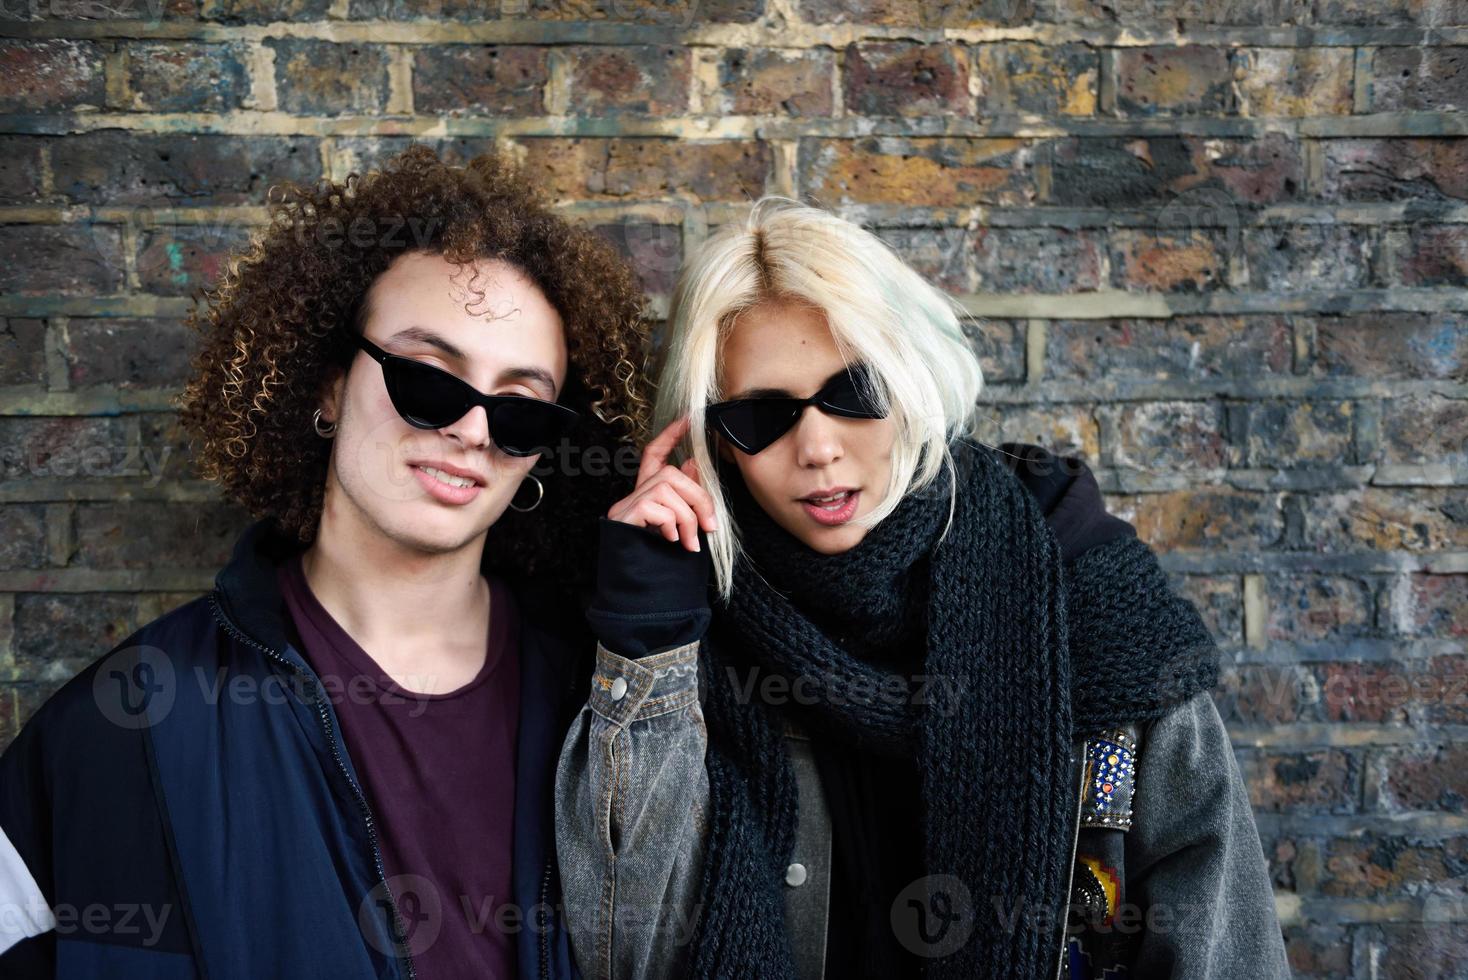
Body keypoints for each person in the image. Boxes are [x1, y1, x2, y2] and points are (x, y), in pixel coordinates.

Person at [555, 196, 1292, 979]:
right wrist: (651, 632)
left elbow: (1216, 929)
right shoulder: (676, 620)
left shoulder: (1084, 592)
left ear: (911, 379)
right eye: (760, 416)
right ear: (714, 439)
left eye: (855, 393)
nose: (816, 448)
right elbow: (623, 943)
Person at [0, 144, 650, 978]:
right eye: (427, 377)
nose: (473, 431)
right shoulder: (130, 721)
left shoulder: (607, 710)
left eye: (520, 411)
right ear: (329, 385)